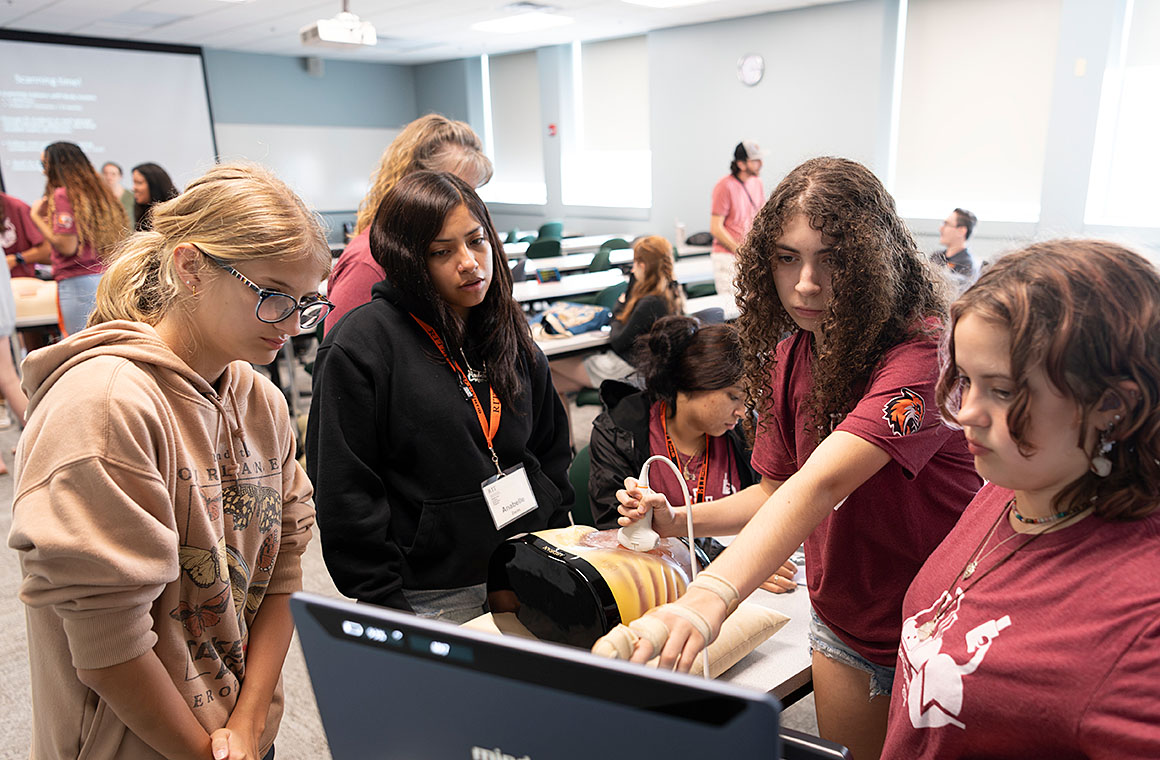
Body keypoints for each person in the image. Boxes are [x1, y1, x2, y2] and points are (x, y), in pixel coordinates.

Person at [612, 157, 982, 760]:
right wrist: (675, 519)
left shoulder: (924, 352)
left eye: (831, 259)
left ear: (872, 260)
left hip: (940, 627)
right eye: (787, 258)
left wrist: (709, 598)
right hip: (845, 620)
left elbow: (820, 483)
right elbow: (772, 492)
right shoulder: (793, 353)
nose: (805, 283)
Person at [8, 162, 331, 760]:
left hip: (236, 736)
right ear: (190, 268)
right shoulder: (104, 406)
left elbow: (283, 570)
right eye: (272, 296)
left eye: (307, 303)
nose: (291, 324)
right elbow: (110, 645)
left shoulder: (260, 399)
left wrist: (251, 719)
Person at [881, 240, 1160, 759]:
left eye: (1004, 391)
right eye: (966, 380)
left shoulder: (1141, 623)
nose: (966, 413)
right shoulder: (1013, 487)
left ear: (1112, 405)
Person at [307, 170, 573, 624]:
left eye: (477, 241)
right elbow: (344, 490)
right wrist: (384, 599)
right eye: (442, 252)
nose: (469, 262)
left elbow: (548, 447)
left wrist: (550, 546)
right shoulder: (363, 346)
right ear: (410, 260)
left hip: (525, 566)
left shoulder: (505, 329)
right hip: (429, 592)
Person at [324, 113, 493, 333]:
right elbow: (341, 353)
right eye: (450, 191)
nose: (465, 205)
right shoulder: (367, 262)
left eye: (472, 192)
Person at [550, 235, 683, 394]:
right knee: (554, 386)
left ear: (643, 265)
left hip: (626, 368)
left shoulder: (650, 303)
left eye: (635, 263)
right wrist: (633, 283)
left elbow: (618, 341)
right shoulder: (670, 291)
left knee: (549, 360)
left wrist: (619, 307)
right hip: (639, 366)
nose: (632, 269)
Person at [31, 141, 129, 335]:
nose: (43, 172)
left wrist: (35, 217)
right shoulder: (97, 193)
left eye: (45, 165)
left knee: (82, 346)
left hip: (77, 281)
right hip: (102, 278)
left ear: (57, 166)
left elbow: (67, 246)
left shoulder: (63, 195)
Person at [709, 140, 765, 299]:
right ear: (741, 164)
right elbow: (716, 228)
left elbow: (760, 217)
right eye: (755, 160)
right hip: (727, 257)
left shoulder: (757, 183)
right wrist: (739, 251)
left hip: (748, 256)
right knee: (731, 308)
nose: (760, 163)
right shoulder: (724, 186)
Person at [131, 162, 180, 231]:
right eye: (134, 183)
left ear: (154, 185)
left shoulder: (177, 212)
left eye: (139, 183)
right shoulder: (142, 213)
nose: (133, 188)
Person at [935, 207, 977, 280]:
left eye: (946, 224)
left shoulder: (968, 265)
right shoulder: (936, 256)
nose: (940, 229)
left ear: (961, 231)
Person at [102, 161, 136, 225]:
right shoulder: (98, 198)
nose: (109, 177)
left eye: (113, 174)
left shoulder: (132, 197)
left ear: (120, 176)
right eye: (105, 173)